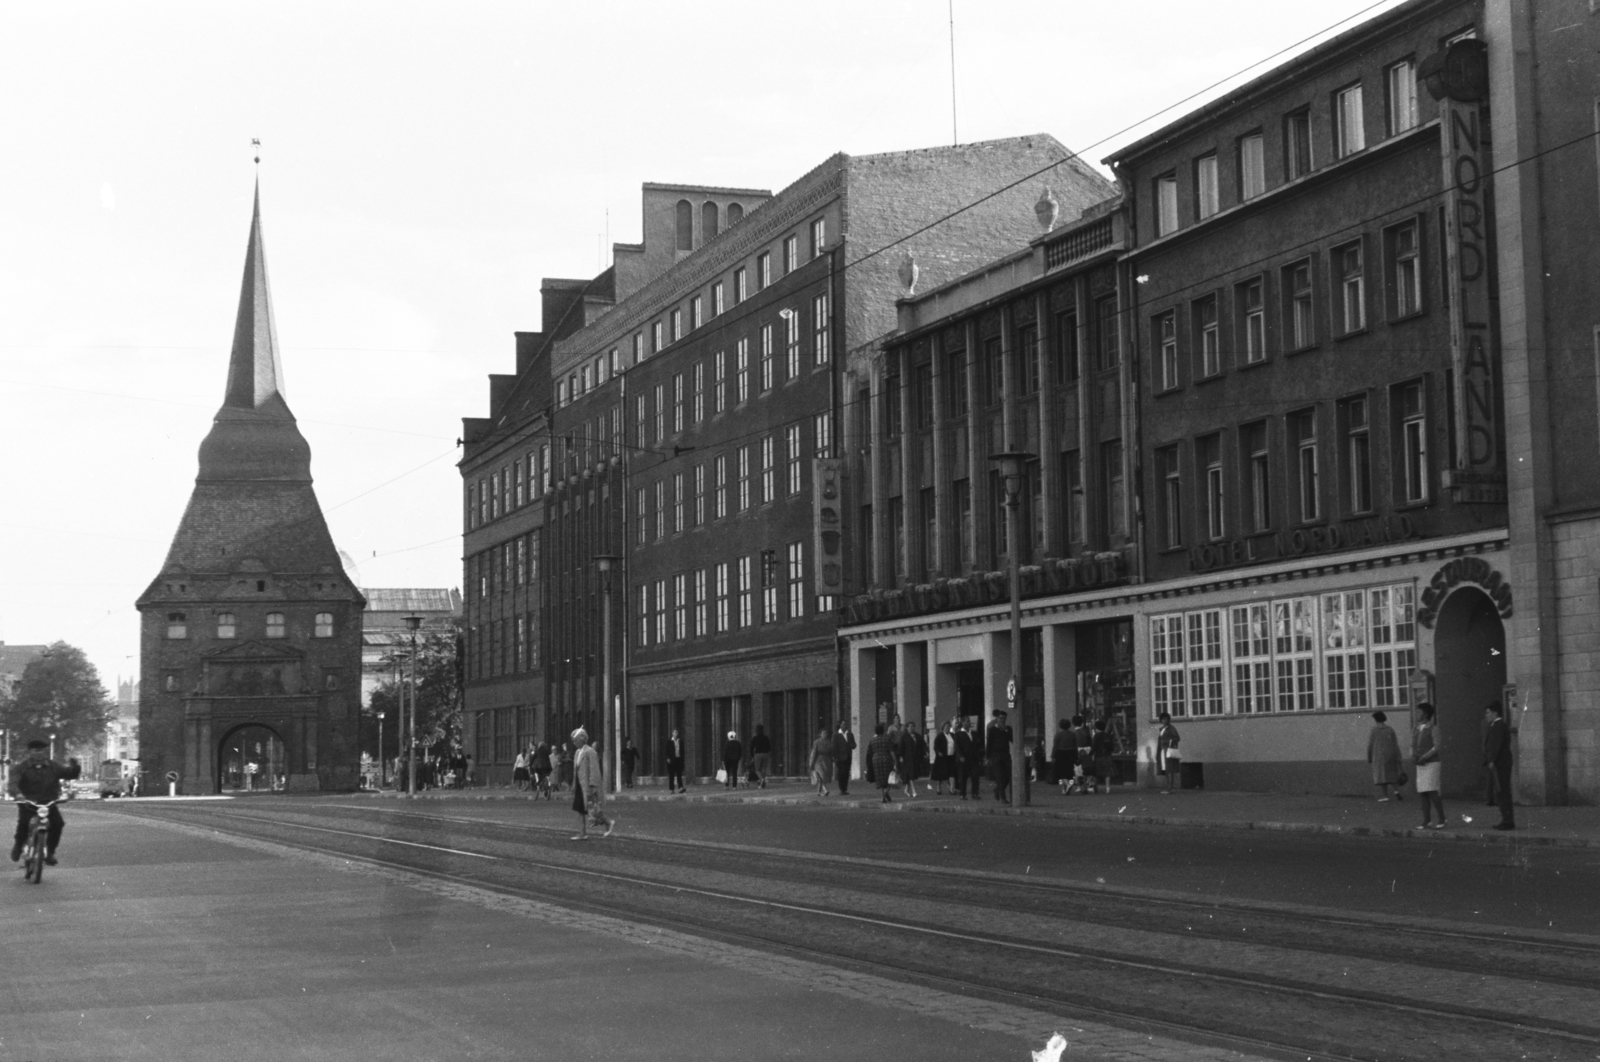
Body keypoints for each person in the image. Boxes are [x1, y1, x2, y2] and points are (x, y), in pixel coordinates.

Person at [10, 740, 80, 866]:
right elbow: (13, 783)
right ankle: (18, 846)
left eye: (42, 750)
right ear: (30, 752)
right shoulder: (22, 767)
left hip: (48, 803)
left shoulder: (53, 766)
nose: (40, 753)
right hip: (28, 804)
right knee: (24, 824)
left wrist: (75, 767)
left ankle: (50, 853)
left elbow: (68, 774)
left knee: (58, 824)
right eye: (37, 750)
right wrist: (18, 794)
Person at [569, 729, 613, 840]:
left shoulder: (590, 752)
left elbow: (594, 770)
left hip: (588, 785)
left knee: (593, 808)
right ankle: (582, 833)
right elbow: (576, 769)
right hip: (580, 784)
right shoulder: (577, 752)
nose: (574, 743)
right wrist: (574, 784)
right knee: (579, 808)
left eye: (576, 740)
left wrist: (593, 785)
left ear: (583, 739)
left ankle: (608, 822)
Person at [1413, 702, 1446, 829]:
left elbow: (1437, 746)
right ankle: (1427, 820)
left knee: (1432, 790)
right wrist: (1413, 755)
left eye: (1419, 712)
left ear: (1426, 714)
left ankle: (1442, 817)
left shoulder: (1433, 728)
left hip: (1431, 763)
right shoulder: (1416, 729)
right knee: (1423, 792)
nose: (1417, 714)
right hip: (1420, 763)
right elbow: (1413, 745)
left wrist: (1425, 756)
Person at [1484, 701, 1514, 830]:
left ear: (1495, 712)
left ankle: (1507, 821)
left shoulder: (1497, 725)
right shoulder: (1498, 725)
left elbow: (1495, 745)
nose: (1486, 715)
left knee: (1502, 792)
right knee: (1501, 791)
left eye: (1488, 712)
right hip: (1502, 762)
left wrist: (1491, 760)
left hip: (1500, 763)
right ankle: (1506, 819)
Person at [1366, 711, 1404, 802]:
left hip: (1378, 756)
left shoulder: (1374, 730)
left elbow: (1370, 745)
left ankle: (1385, 796)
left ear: (1376, 720)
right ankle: (1396, 791)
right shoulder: (1390, 729)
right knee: (1392, 774)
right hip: (1390, 755)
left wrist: (1369, 757)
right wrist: (1398, 755)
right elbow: (1395, 744)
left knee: (1381, 776)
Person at [986, 710, 1014, 805]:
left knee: (1008, 775)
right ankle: (1003, 798)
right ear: (997, 719)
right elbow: (989, 744)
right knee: (999, 777)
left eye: (1004, 718)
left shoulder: (1008, 729)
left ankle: (997, 788)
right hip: (995, 755)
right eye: (1000, 718)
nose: (1002, 720)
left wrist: (1006, 730)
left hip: (1005, 754)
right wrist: (987, 757)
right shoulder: (992, 730)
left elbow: (1012, 739)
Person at [867, 724, 896, 804]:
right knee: (890, 776)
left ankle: (883, 796)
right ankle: (887, 792)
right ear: (883, 730)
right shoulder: (887, 739)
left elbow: (870, 751)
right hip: (886, 758)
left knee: (880, 778)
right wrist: (895, 761)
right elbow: (891, 751)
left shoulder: (873, 740)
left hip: (876, 759)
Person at [958, 718, 985, 800]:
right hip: (964, 758)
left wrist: (980, 757)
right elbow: (957, 747)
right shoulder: (959, 734)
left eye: (969, 721)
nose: (969, 722)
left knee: (975, 775)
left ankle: (975, 793)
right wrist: (960, 756)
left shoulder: (973, 733)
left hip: (974, 758)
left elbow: (977, 745)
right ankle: (962, 794)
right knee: (963, 776)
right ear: (963, 723)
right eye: (967, 721)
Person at [1156, 712, 1181, 794]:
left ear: (1169, 720)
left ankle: (1170, 788)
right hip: (1163, 751)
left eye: (1166, 719)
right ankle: (1168, 787)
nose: (1165, 720)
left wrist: (1167, 742)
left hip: (1168, 750)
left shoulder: (1171, 728)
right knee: (1166, 769)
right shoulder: (1162, 729)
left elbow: (1177, 738)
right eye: (1163, 719)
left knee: (1169, 768)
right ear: (1161, 720)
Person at [1052, 718, 1077, 795]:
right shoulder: (1072, 734)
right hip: (1071, 753)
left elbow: (1055, 746)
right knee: (1068, 770)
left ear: (1060, 726)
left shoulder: (1058, 734)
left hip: (1060, 753)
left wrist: (1053, 755)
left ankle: (1067, 784)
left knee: (1060, 770)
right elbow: (1075, 745)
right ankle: (1064, 789)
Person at [832, 721, 856, 796]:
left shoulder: (850, 734)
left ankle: (845, 788)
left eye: (846, 724)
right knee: (841, 773)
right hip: (840, 757)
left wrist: (852, 745)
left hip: (848, 756)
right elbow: (834, 747)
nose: (845, 726)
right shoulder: (836, 735)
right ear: (840, 725)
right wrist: (836, 757)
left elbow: (854, 744)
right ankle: (842, 789)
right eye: (844, 724)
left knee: (846, 773)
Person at [1091, 718, 1115, 794]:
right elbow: (1112, 746)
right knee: (1107, 772)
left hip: (1099, 755)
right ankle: (1107, 788)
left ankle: (1095, 787)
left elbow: (1094, 746)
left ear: (1096, 728)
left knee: (1096, 772)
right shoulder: (1107, 735)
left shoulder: (1096, 736)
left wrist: (1090, 755)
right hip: (1107, 755)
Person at [931, 721, 955, 796]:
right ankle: (939, 787)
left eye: (949, 727)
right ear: (943, 728)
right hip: (942, 757)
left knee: (952, 773)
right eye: (946, 727)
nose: (948, 728)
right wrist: (938, 752)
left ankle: (952, 789)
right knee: (940, 774)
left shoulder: (953, 735)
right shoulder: (940, 736)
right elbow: (935, 746)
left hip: (951, 756)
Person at [897, 719, 919, 798]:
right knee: (910, 774)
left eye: (913, 726)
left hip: (914, 758)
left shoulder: (916, 736)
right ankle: (914, 790)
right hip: (907, 758)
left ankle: (906, 789)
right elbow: (900, 747)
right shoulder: (904, 737)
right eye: (911, 726)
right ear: (907, 728)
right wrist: (901, 756)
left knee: (910, 774)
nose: (912, 728)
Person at [809, 727, 834, 797]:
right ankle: (825, 789)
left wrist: (832, 759)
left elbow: (831, 751)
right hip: (818, 761)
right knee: (821, 775)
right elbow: (813, 752)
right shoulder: (816, 742)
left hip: (826, 761)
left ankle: (819, 792)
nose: (825, 735)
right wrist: (811, 762)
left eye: (826, 733)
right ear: (820, 734)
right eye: (823, 733)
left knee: (823, 776)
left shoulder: (829, 741)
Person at [749, 724, 772, 789]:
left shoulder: (755, 738)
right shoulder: (766, 738)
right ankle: (762, 784)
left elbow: (751, 747)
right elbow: (769, 747)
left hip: (758, 754)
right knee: (763, 769)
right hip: (765, 754)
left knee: (757, 769)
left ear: (756, 730)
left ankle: (762, 780)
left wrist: (752, 755)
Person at [665, 729, 686, 794]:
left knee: (679, 774)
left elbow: (682, 750)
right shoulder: (669, 741)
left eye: (677, 732)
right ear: (672, 733)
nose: (676, 733)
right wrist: (668, 758)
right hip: (672, 760)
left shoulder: (680, 741)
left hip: (678, 759)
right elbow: (666, 750)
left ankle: (680, 788)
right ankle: (671, 789)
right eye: (674, 732)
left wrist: (682, 758)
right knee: (671, 775)